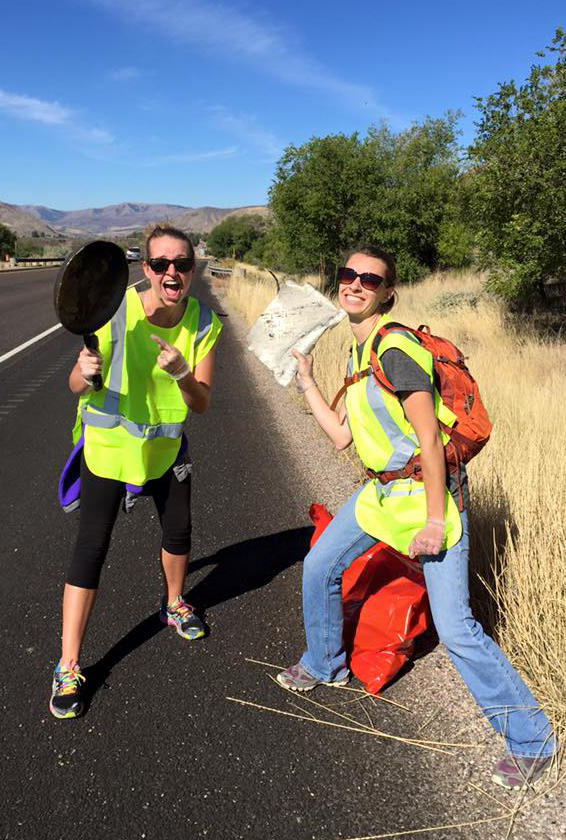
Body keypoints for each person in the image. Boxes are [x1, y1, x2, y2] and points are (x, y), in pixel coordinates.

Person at [277, 245, 555, 789]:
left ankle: (532, 739)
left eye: (369, 279)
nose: (355, 284)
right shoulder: (359, 352)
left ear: (387, 293)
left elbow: (429, 440)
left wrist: (433, 521)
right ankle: (324, 663)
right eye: (348, 274)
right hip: (382, 495)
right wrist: (307, 379)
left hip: (430, 497)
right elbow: (341, 437)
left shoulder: (396, 349)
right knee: (320, 566)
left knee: (455, 627)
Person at [50, 224, 222, 719]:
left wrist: (182, 374)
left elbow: (201, 403)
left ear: (192, 269)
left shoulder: (203, 322)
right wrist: (84, 374)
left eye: (182, 264)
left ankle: (174, 603)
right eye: (161, 263)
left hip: (164, 451)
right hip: (109, 449)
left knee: (179, 530)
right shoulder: (113, 309)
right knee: (91, 549)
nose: (172, 273)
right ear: (146, 268)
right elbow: (75, 384)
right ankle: (68, 665)